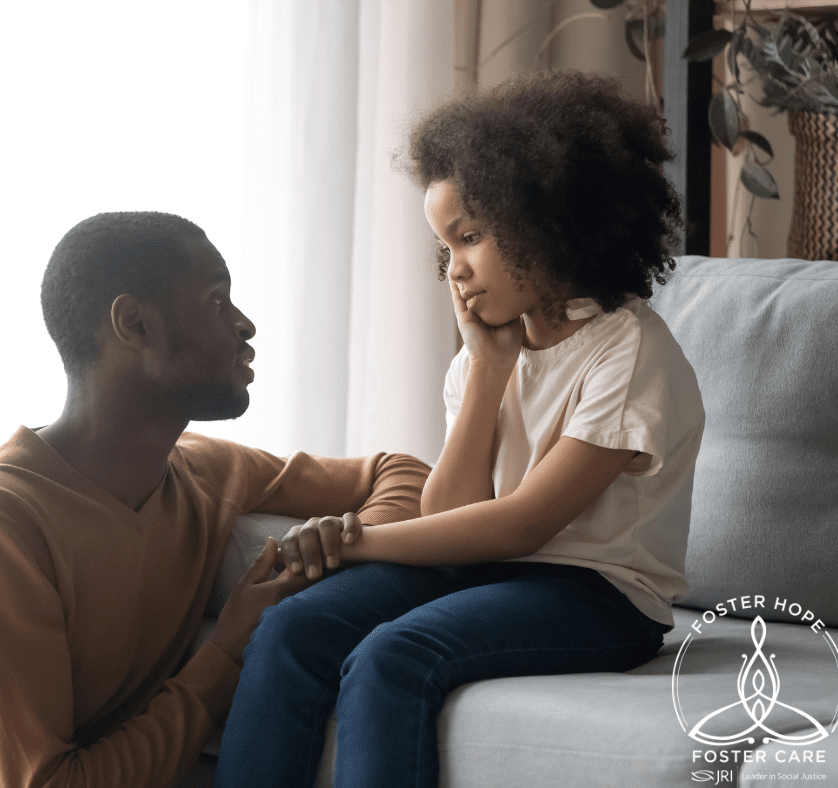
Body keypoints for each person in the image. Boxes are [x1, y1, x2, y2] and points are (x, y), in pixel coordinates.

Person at [214, 69, 706, 788]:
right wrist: (485, 372)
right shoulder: (485, 360)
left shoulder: (626, 350)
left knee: (392, 656)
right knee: (290, 628)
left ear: (546, 219)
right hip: (490, 572)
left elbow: (521, 525)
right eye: (445, 249)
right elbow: (452, 515)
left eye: (469, 237)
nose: (455, 272)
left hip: (598, 596)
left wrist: (356, 542)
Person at [0, 211, 430, 788]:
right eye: (217, 300)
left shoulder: (207, 470)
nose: (245, 325)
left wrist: (354, 548)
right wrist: (227, 649)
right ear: (135, 324)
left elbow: (399, 471)